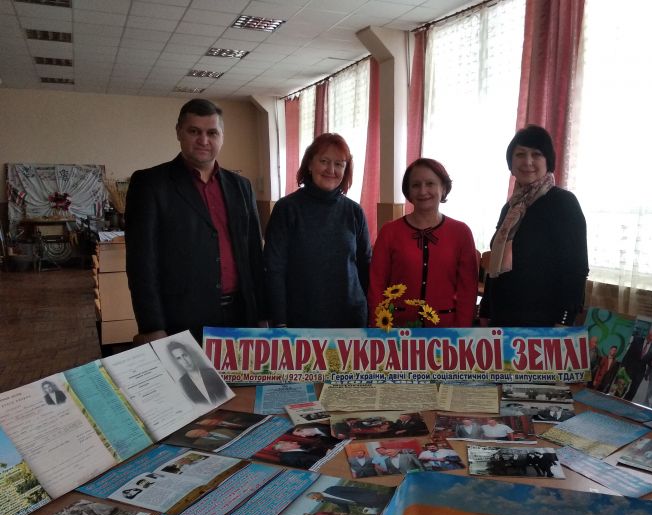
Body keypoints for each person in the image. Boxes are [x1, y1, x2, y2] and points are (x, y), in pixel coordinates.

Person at [125, 98, 268, 344]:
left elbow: (254, 254)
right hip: (181, 320)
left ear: (222, 137)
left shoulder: (241, 186)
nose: (203, 140)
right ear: (179, 132)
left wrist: (263, 313)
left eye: (212, 133)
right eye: (194, 131)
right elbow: (141, 263)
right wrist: (152, 326)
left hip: (241, 315)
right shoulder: (150, 184)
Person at [479, 125, 588, 327]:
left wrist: (564, 320)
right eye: (520, 154)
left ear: (548, 161)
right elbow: (496, 265)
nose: (527, 161)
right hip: (502, 318)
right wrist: (485, 310)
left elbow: (576, 268)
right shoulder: (510, 208)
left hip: (544, 323)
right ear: (511, 163)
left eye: (536, 154)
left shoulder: (563, 203)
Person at [264, 133, 371, 328]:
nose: (331, 170)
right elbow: (274, 269)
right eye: (324, 161)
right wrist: (279, 321)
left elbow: (365, 266)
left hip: (351, 319)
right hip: (301, 319)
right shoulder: (287, 209)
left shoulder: (354, 211)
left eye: (339, 164)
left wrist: (372, 316)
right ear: (310, 164)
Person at [368, 158, 477, 327]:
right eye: (416, 185)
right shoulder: (389, 231)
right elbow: (376, 284)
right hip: (395, 328)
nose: (423, 191)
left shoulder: (461, 232)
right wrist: (379, 328)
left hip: (447, 330)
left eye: (430, 184)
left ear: (443, 188)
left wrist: (462, 332)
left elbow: (467, 289)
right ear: (408, 191)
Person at [167, 340, 230, 405]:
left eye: (184, 355)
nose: (185, 361)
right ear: (177, 362)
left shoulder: (211, 372)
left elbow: (225, 396)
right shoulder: (182, 383)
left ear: (189, 355)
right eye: (179, 358)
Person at [622, 329, 652, 402]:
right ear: (648, 335)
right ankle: (615, 400)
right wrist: (623, 366)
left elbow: (651, 361)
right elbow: (628, 354)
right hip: (630, 367)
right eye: (651, 336)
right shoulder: (637, 340)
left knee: (633, 390)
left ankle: (625, 403)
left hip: (640, 371)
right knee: (622, 387)